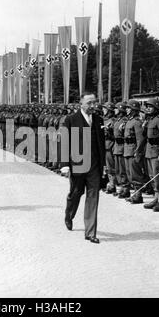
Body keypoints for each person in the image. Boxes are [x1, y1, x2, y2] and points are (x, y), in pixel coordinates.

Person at [60, 92, 106, 244]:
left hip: (94, 166)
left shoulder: (99, 119)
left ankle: (90, 232)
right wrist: (65, 165)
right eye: (89, 103)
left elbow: (101, 145)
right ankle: (69, 214)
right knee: (75, 194)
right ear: (81, 104)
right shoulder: (71, 120)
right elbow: (65, 142)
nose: (93, 106)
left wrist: (103, 165)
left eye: (94, 103)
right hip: (77, 165)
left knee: (93, 197)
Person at [143, 98, 159, 212]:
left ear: (156, 108)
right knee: (151, 175)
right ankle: (156, 197)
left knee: (158, 177)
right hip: (149, 151)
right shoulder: (150, 120)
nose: (148, 108)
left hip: (157, 151)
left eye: (151, 106)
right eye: (147, 106)